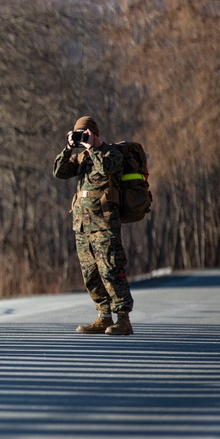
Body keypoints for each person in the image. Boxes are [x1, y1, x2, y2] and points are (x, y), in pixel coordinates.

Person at [53, 115, 134, 335]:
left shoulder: (111, 154)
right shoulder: (80, 158)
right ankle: (104, 317)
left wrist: (93, 147)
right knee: (90, 274)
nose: (82, 138)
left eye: (84, 133)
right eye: (78, 134)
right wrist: (69, 148)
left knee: (111, 269)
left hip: (105, 223)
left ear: (94, 133)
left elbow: (106, 169)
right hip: (82, 226)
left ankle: (123, 319)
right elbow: (59, 172)